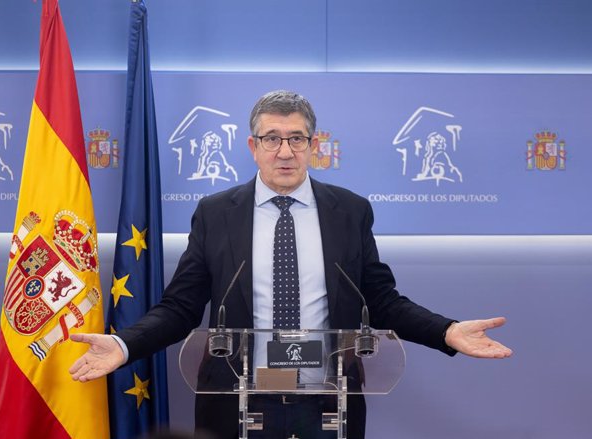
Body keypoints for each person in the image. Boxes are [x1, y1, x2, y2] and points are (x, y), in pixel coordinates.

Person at [69, 90, 512, 438]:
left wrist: (446, 331)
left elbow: (381, 301)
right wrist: (125, 345)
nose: (285, 151)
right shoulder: (216, 212)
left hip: (327, 403)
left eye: (296, 138)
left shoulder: (350, 211)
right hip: (237, 403)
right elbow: (181, 307)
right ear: (253, 145)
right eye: (272, 139)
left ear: (313, 145)